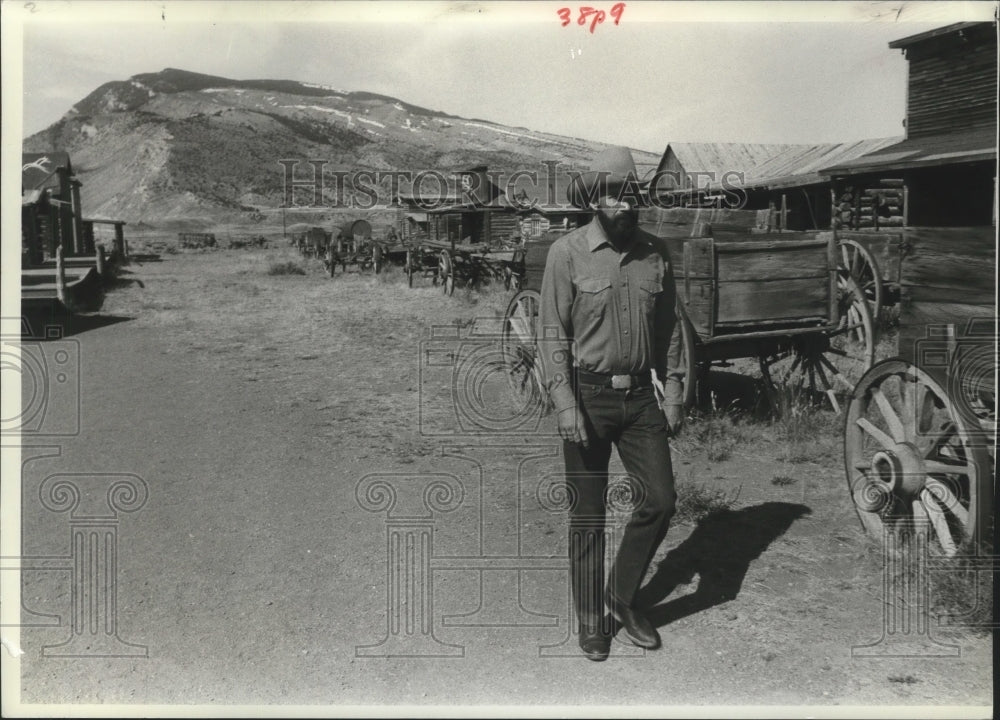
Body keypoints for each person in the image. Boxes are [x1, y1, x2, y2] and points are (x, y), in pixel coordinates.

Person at [539, 146, 684, 662]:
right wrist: (564, 405)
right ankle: (588, 621)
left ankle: (620, 598)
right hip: (586, 396)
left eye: (629, 195)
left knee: (660, 501)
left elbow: (669, 330)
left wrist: (675, 391)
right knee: (588, 516)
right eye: (610, 196)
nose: (622, 205)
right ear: (595, 201)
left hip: (642, 397)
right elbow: (552, 334)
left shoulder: (656, 253)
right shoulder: (567, 253)